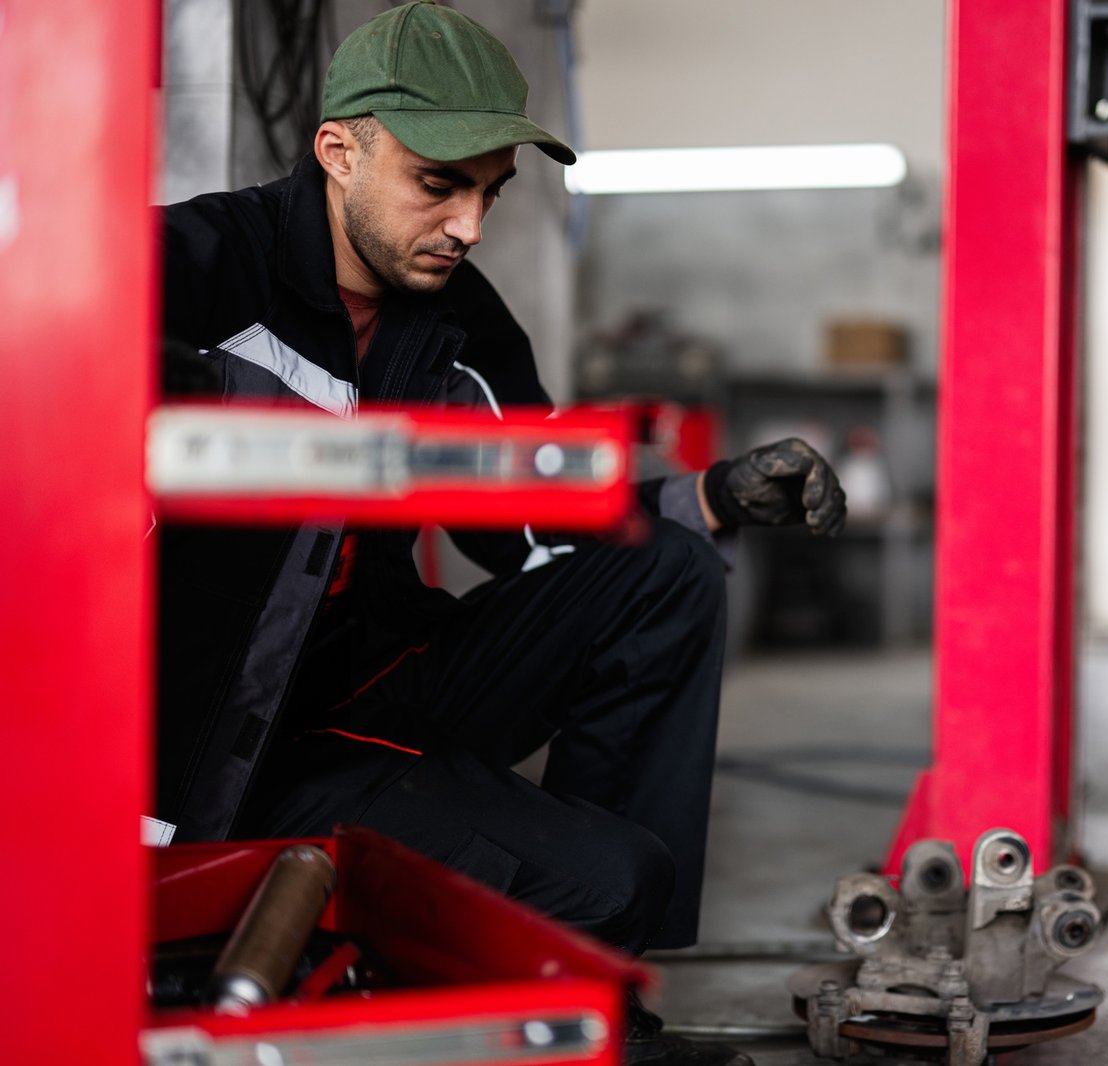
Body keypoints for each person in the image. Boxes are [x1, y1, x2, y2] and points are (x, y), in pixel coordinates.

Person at [156, 4, 844, 1062]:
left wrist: (710, 498)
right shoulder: (195, 271)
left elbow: (536, 518)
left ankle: (603, 998)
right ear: (340, 150)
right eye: (440, 185)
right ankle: (560, 972)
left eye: (489, 192)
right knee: (602, 876)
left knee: (661, 575)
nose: (470, 226)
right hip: (211, 752)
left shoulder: (454, 318)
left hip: (377, 692)